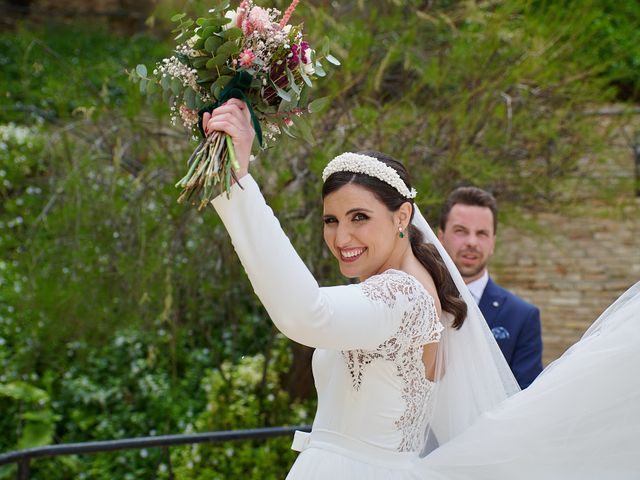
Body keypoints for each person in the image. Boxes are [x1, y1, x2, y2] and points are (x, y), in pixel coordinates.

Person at [203, 100, 640, 478]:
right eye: (331, 220)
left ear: (401, 217)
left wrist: (238, 184)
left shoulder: (404, 296)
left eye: (359, 217)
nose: (340, 238)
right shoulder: (398, 287)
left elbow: (307, 313)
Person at [438, 187, 543, 388]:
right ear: (440, 237)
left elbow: (525, 396)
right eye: (461, 231)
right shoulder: (416, 299)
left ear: (493, 243)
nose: (472, 242)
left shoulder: (522, 316)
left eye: (482, 233)